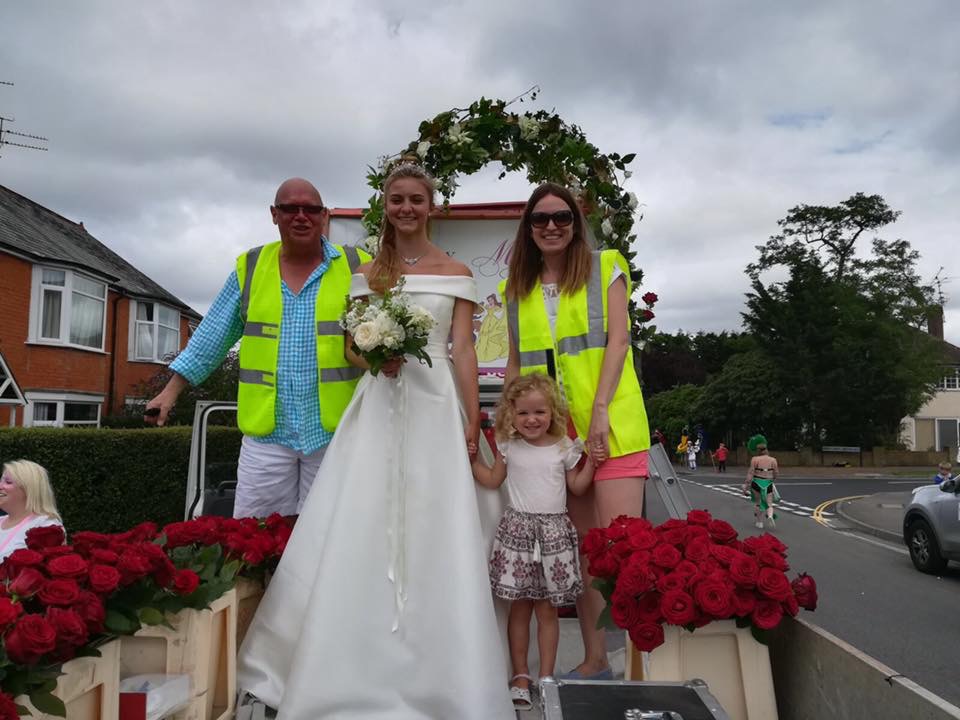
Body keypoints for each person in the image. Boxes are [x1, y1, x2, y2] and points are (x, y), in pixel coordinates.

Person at [235, 163, 515, 719]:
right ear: (384, 206)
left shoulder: (457, 272)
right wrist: (376, 355)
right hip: (380, 405)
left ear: (432, 205)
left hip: (437, 406)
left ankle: (443, 672)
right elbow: (350, 350)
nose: (406, 208)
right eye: (396, 200)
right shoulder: (367, 273)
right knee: (359, 521)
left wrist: (471, 419)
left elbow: (461, 350)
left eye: (416, 199)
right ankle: (341, 662)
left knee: (436, 522)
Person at [144, 178, 369, 518]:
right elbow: (212, 336)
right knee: (253, 539)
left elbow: (383, 340)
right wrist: (170, 391)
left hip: (335, 434)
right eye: (290, 208)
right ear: (273, 215)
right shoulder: (249, 268)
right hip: (267, 437)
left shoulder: (358, 265)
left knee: (329, 538)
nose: (300, 216)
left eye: (310, 209)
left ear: (324, 216)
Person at [502, 182, 651, 680]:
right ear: (528, 228)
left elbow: (619, 338)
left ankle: (639, 663)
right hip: (558, 444)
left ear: (575, 222)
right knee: (588, 556)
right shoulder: (518, 287)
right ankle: (595, 660)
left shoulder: (606, 265)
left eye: (561, 217)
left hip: (613, 428)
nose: (550, 226)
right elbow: (517, 365)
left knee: (622, 553)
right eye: (539, 219)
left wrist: (602, 410)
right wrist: (505, 428)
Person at [471, 373, 595, 710]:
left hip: (554, 536)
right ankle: (521, 676)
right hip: (518, 535)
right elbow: (493, 480)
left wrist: (594, 462)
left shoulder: (563, 448)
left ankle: (547, 677)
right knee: (519, 610)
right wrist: (470, 461)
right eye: (523, 413)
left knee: (548, 612)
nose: (531, 419)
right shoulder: (508, 447)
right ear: (511, 414)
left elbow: (579, 488)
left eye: (539, 412)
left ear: (552, 412)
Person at [0, 460, 65, 561]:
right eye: (1, 480)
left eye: (8, 482)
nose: (0, 486)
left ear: (29, 490)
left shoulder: (45, 525)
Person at [742, 434, 779, 529]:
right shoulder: (773, 460)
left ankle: (759, 522)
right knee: (769, 503)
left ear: (758, 450)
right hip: (768, 483)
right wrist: (773, 479)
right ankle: (770, 516)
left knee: (758, 502)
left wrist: (746, 485)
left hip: (757, 483)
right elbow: (776, 473)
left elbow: (750, 473)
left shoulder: (755, 459)